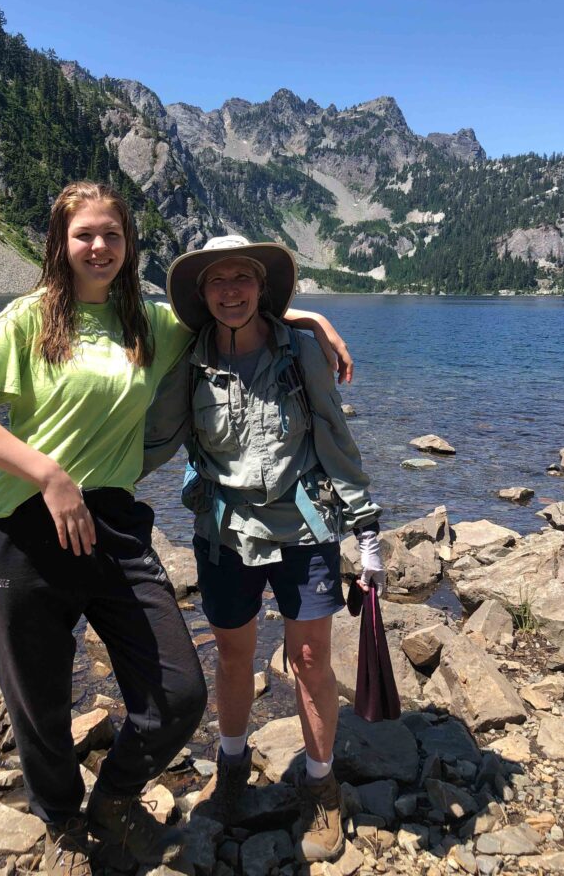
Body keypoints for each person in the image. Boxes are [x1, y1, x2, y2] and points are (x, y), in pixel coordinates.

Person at [0, 183, 354, 875]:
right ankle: (63, 826)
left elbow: (236, 313)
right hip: (19, 529)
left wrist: (304, 319)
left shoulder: (150, 323)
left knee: (178, 691)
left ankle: (115, 797)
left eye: (112, 235)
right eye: (84, 235)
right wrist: (48, 474)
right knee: (36, 701)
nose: (98, 247)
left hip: (113, 527)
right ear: (60, 245)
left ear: (129, 247)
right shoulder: (26, 319)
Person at [143, 235, 385, 864]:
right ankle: (230, 769)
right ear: (202, 293)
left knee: (309, 658)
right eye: (217, 281)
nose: (230, 291)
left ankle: (320, 783)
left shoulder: (300, 352)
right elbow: (156, 440)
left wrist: (366, 529)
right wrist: (80, 483)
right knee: (231, 655)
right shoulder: (187, 361)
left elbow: (334, 437)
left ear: (261, 288)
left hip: (304, 530)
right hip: (224, 534)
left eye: (242, 279)